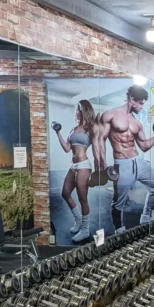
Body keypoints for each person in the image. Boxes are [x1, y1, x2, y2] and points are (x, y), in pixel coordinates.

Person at [93, 85, 154, 233]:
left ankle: (146, 215)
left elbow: (144, 146)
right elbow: (99, 140)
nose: (141, 107)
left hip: (138, 162)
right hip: (123, 165)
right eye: (140, 103)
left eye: (143, 104)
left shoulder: (136, 123)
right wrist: (103, 166)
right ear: (132, 99)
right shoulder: (110, 115)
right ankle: (119, 231)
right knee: (118, 203)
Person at [53, 100, 97, 242]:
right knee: (65, 193)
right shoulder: (73, 129)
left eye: (79, 109)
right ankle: (78, 221)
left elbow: (97, 149)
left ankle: (85, 230)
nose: (77, 112)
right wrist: (58, 132)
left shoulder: (91, 129)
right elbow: (67, 148)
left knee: (83, 199)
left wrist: (99, 170)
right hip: (73, 165)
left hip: (84, 165)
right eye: (76, 110)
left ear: (85, 110)